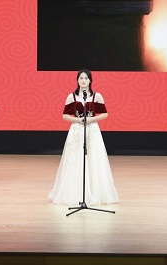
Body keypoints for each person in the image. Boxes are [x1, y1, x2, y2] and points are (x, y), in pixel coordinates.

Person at [48, 69, 119, 206]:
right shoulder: (71, 97)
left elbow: (104, 114)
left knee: (93, 159)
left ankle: (94, 192)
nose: (83, 80)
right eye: (81, 78)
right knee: (75, 158)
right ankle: (75, 193)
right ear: (77, 80)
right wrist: (77, 120)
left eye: (86, 78)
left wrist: (90, 119)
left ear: (90, 80)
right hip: (77, 130)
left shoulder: (97, 96)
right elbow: (65, 116)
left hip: (92, 130)